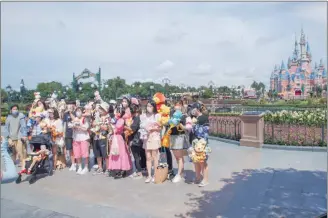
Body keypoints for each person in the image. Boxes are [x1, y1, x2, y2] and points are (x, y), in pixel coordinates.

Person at [140, 101, 161, 183]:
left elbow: (160, 128)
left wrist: (153, 128)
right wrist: (145, 128)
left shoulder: (157, 115)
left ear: (154, 107)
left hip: (154, 137)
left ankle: (155, 175)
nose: (149, 108)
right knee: (148, 157)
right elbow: (141, 125)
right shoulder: (143, 116)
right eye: (148, 106)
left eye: (151, 106)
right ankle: (149, 175)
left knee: (155, 157)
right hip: (146, 137)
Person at [107, 105, 132, 179]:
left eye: (119, 111)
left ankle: (122, 169)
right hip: (114, 137)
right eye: (116, 111)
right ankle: (116, 169)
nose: (117, 112)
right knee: (114, 153)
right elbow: (110, 127)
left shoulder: (121, 120)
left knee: (121, 153)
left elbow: (117, 128)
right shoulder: (113, 119)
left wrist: (113, 122)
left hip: (118, 137)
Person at [169, 102, 191, 183]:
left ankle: (179, 174)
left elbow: (186, 128)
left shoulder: (184, 116)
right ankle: (181, 172)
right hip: (172, 136)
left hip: (179, 137)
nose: (176, 106)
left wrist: (179, 123)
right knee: (176, 157)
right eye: (176, 105)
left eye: (178, 105)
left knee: (179, 157)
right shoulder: (172, 114)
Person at [190, 103, 210, 187]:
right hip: (195, 142)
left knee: (202, 161)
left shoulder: (203, 118)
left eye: (193, 109)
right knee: (196, 160)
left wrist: (193, 125)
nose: (192, 111)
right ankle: (198, 177)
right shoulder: (195, 118)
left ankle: (205, 179)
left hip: (201, 142)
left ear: (197, 109)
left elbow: (205, 131)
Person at [4, 104, 28, 172]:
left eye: (16, 109)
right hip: (11, 137)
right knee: (13, 152)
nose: (15, 110)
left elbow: (23, 126)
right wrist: (8, 137)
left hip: (19, 137)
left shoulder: (21, 116)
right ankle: (13, 163)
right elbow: (6, 128)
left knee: (20, 152)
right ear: (11, 110)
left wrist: (24, 135)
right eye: (14, 109)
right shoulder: (8, 118)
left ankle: (23, 167)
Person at [92, 102, 110, 175]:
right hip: (96, 136)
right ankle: (100, 167)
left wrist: (99, 124)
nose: (100, 110)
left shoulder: (108, 117)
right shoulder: (97, 116)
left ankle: (108, 169)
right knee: (97, 153)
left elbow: (107, 128)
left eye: (102, 109)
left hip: (104, 137)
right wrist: (94, 124)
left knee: (105, 154)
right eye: (100, 108)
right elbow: (93, 124)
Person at [127, 103, 144, 178]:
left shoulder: (136, 118)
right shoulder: (140, 117)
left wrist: (125, 127)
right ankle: (142, 169)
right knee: (140, 156)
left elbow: (132, 129)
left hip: (135, 140)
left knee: (136, 156)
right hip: (139, 139)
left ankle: (139, 172)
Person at [72, 107, 90, 175]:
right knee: (77, 153)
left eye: (79, 111)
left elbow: (86, 128)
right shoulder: (75, 119)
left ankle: (86, 167)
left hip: (84, 138)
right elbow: (72, 126)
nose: (77, 112)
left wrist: (78, 126)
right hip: (76, 138)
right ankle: (79, 166)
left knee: (85, 153)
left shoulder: (84, 119)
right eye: (76, 111)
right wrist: (73, 126)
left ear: (82, 112)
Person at [63, 101, 76, 171]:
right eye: (68, 107)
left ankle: (77, 163)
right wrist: (64, 134)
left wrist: (71, 112)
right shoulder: (65, 114)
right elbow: (64, 124)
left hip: (75, 133)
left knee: (75, 149)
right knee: (70, 149)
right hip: (68, 133)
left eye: (71, 107)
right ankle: (73, 163)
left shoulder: (76, 113)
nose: (69, 108)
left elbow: (75, 120)